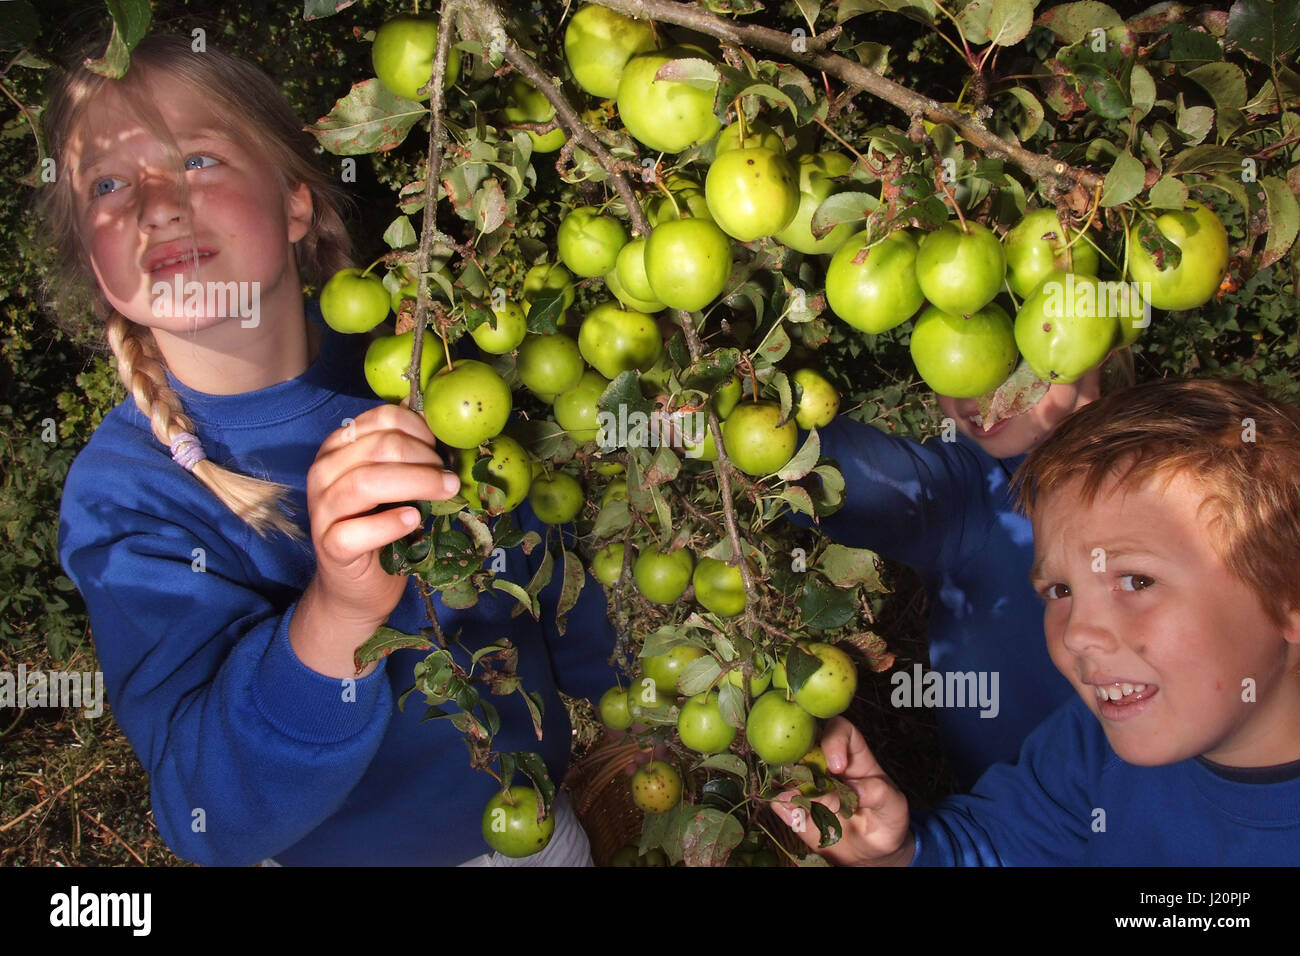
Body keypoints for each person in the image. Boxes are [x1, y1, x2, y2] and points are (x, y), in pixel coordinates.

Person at [50, 32, 615, 866]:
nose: (156, 203)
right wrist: (338, 614)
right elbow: (208, 814)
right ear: (95, 266)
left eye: (197, 159)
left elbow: (549, 573)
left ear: (296, 203)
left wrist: (650, 704)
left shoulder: (431, 372)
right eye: (106, 182)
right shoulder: (126, 498)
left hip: (537, 837)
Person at [778, 377, 1300, 864]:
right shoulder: (1086, 748)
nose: (1078, 633)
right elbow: (999, 842)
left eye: (1137, 582)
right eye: (1059, 590)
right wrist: (902, 850)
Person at [814, 350, 1133, 788]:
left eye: (1008, 349)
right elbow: (862, 478)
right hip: (1019, 837)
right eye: (946, 355)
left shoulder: (1186, 469)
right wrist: (745, 418)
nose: (969, 386)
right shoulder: (972, 491)